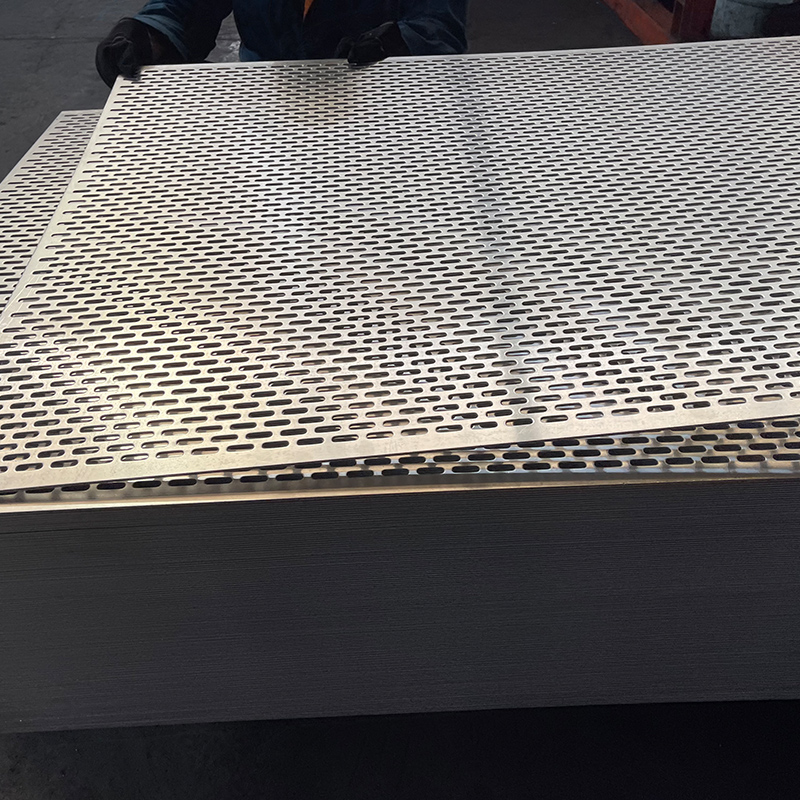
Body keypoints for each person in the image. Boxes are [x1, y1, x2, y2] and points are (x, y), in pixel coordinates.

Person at [96, 0, 468, 87]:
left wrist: (397, 43)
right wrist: (147, 36)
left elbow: (438, 24)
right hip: (268, 103)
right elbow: (186, 9)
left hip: (376, 108)